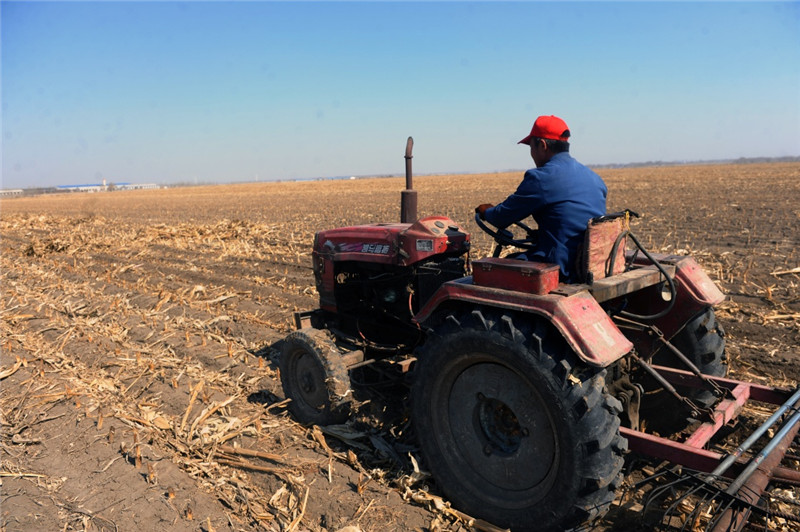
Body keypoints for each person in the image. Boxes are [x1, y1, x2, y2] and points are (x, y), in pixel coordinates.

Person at [475, 115, 607, 282]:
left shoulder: (541, 178)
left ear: (542, 145)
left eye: (531, 147)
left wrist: (486, 212)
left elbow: (501, 217)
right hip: (592, 265)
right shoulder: (594, 178)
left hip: (562, 268)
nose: (531, 153)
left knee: (489, 273)